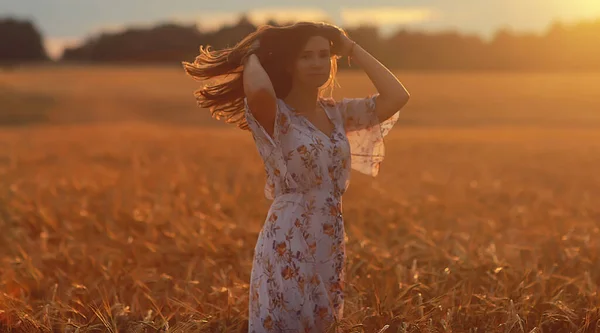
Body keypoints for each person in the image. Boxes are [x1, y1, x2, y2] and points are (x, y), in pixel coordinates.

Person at [182, 21, 410, 333]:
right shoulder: (275, 113)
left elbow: (398, 96)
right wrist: (252, 55)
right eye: (306, 56)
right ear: (290, 64)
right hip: (288, 238)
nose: (317, 63)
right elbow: (260, 88)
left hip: (329, 237)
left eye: (323, 55)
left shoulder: (338, 114)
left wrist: (352, 49)